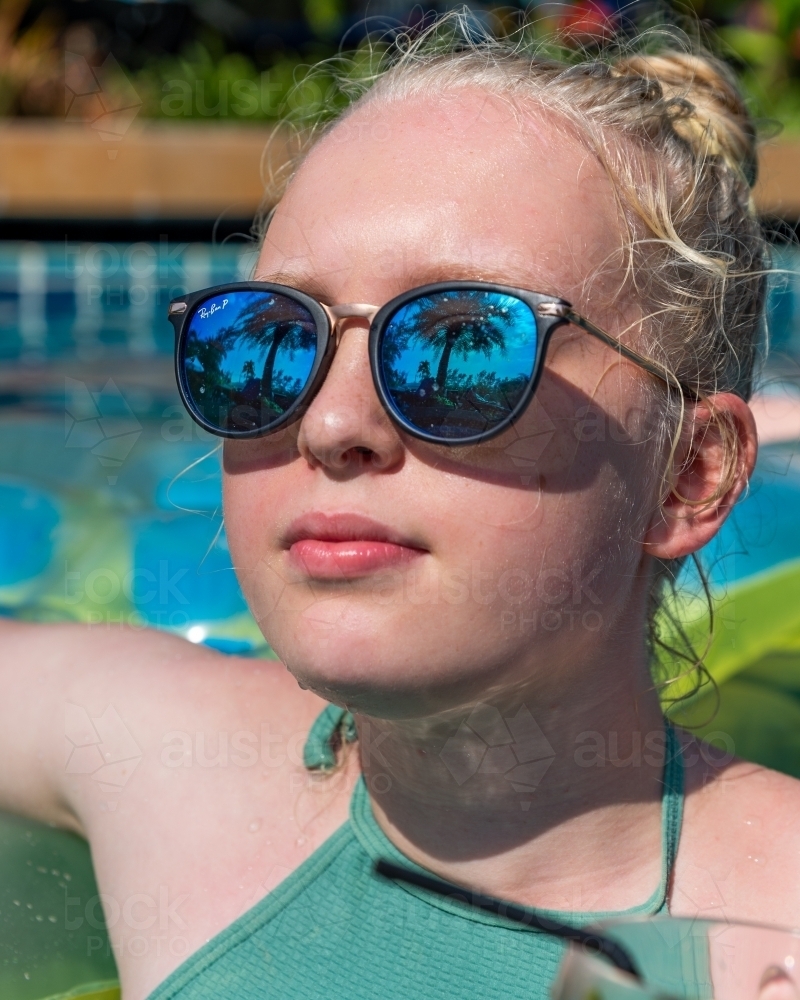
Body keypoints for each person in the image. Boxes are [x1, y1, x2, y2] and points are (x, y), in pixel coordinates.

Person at [2, 13, 800, 1000]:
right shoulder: (153, 757)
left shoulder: (774, 926)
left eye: (460, 347)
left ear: (685, 472)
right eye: (271, 342)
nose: (330, 423)